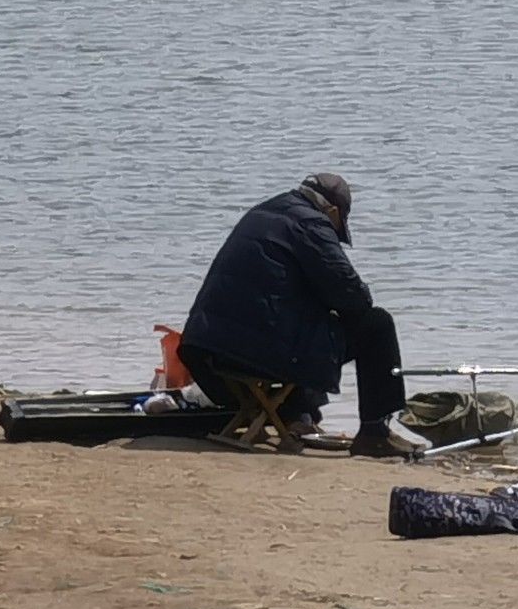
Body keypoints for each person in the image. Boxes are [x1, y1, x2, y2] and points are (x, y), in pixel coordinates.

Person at [179, 173, 417, 458]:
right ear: (333, 211)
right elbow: (354, 298)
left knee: (303, 321)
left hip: (208, 350)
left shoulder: (264, 211)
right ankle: (374, 432)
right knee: (377, 325)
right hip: (253, 353)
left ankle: (297, 413)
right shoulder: (312, 225)